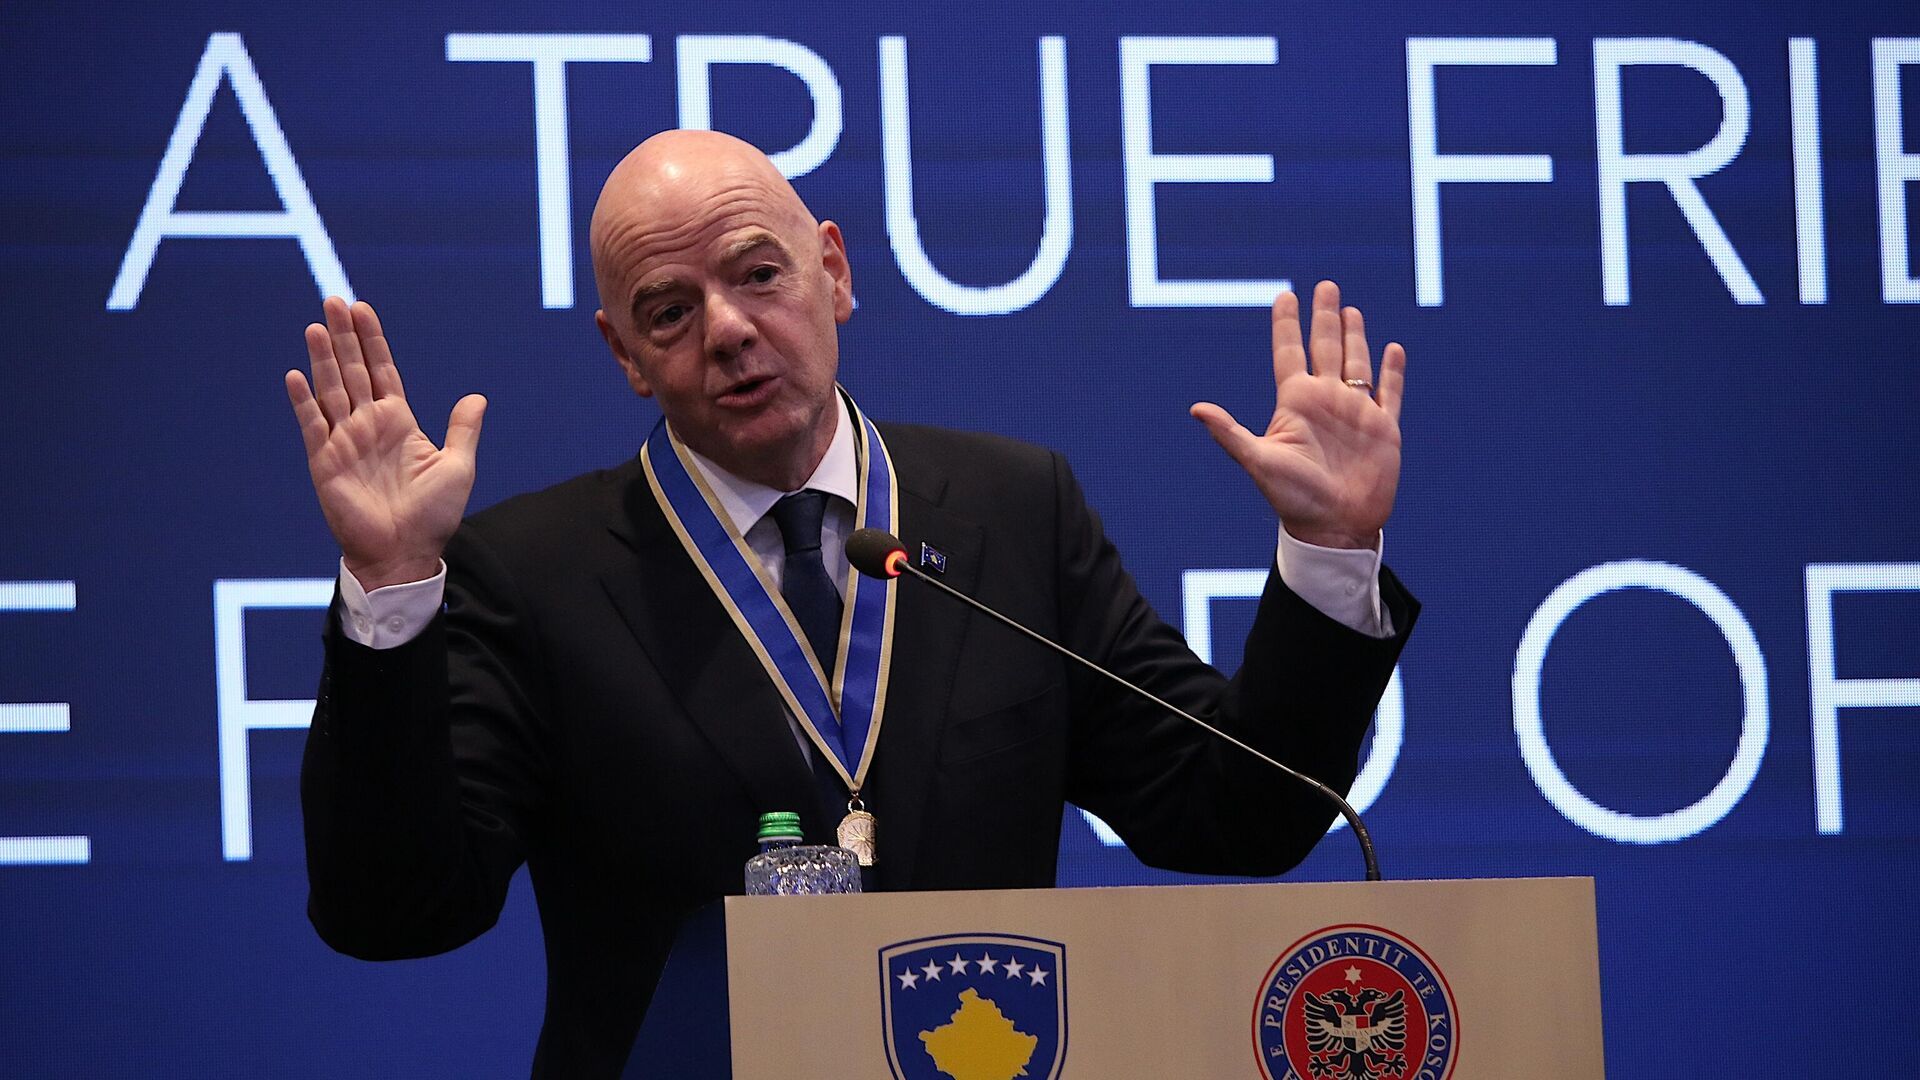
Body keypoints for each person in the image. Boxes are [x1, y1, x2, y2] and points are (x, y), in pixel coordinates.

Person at [286, 130, 1417, 1078]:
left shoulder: (1012, 510)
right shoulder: (531, 573)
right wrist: (391, 588)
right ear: (624, 354)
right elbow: (395, 912)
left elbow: (1240, 811)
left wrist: (1329, 550)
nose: (728, 328)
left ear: (832, 270)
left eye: (758, 274)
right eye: (669, 310)